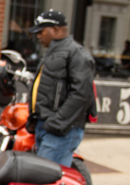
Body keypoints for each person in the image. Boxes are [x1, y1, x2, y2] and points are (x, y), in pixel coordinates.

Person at [29, 10, 95, 166]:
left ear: (55, 30)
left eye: (41, 31)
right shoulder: (53, 52)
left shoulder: (76, 53)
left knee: (45, 178)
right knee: (41, 175)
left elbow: (82, 94)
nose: (38, 36)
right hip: (48, 125)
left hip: (61, 130)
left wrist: (56, 123)